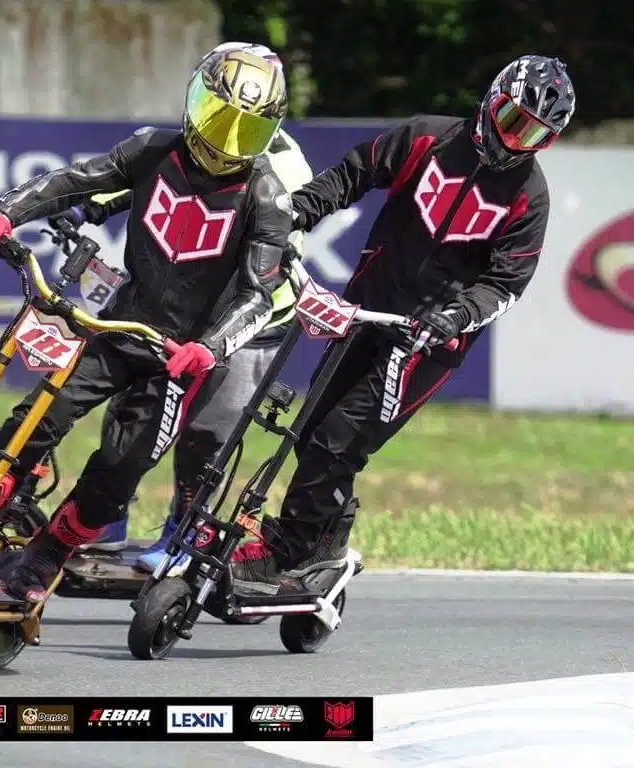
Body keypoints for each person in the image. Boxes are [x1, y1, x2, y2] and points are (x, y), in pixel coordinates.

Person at [0, 43, 294, 603]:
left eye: (245, 132)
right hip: (118, 330)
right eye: (220, 120)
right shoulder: (153, 148)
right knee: (35, 420)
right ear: (197, 102)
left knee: (119, 472)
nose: (225, 143)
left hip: (180, 362)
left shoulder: (268, 198)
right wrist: (9, 211)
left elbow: (258, 295)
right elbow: (76, 181)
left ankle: (41, 562)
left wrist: (209, 345)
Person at [228, 55, 576, 593]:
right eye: (513, 121)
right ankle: (330, 544)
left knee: (337, 443)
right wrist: (297, 210)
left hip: (428, 344)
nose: (515, 141)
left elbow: (506, 284)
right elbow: (351, 175)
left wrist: (456, 316)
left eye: (534, 135)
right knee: (309, 430)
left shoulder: (531, 197)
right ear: (492, 101)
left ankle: (284, 552)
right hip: (367, 312)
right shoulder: (426, 137)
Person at [50, 122, 313, 576]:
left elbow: (271, 250)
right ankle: (107, 514)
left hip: (247, 318)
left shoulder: (284, 169)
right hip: (176, 308)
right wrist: (85, 210)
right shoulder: (198, 142)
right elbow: (148, 186)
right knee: (130, 404)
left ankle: (186, 529)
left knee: (206, 431)